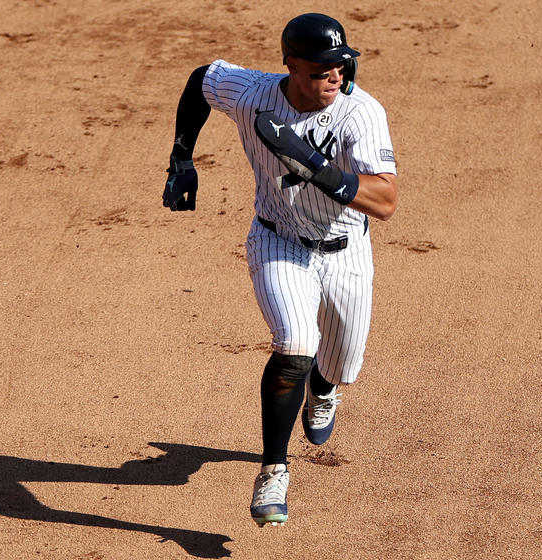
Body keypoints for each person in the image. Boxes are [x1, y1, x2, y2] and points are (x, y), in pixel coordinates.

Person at [161, 13, 398, 526]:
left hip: (346, 250)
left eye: (341, 64)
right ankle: (274, 468)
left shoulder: (361, 113)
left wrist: (315, 167)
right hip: (277, 241)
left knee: (336, 363)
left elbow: (385, 201)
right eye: (320, 69)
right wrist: (182, 159)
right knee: (294, 344)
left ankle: (326, 388)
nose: (335, 75)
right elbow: (202, 78)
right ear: (289, 64)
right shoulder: (253, 94)